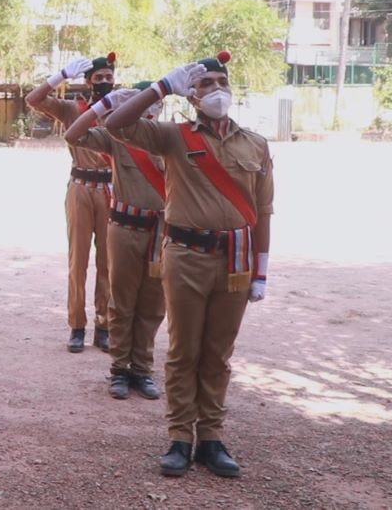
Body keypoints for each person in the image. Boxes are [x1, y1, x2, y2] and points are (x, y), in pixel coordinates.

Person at [104, 52, 273, 478]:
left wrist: (262, 270)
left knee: (218, 354)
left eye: (222, 82)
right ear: (192, 95)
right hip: (186, 257)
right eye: (206, 84)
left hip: (235, 259)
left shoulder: (255, 143)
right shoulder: (173, 136)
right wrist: (161, 87)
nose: (216, 90)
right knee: (184, 351)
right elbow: (116, 125)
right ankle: (180, 437)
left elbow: (264, 211)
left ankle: (211, 438)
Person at [64, 82, 167, 401]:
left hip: (161, 231)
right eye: (140, 104)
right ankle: (120, 369)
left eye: (152, 104)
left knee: (153, 304)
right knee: (122, 301)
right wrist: (105, 104)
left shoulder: (171, 137)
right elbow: (73, 135)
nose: (148, 110)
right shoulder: (118, 137)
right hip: (125, 228)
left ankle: (143, 369)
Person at [25, 54, 117, 353]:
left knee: (108, 262)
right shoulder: (72, 109)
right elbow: (33, 99)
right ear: (88, 81)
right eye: (98, 78)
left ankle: (104, 325)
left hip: (111, 188)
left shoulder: (120, 108)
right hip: (80, 187)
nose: (104, 82)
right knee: (78, 261)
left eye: (108, 77)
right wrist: (61, 75)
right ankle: (77, 326)